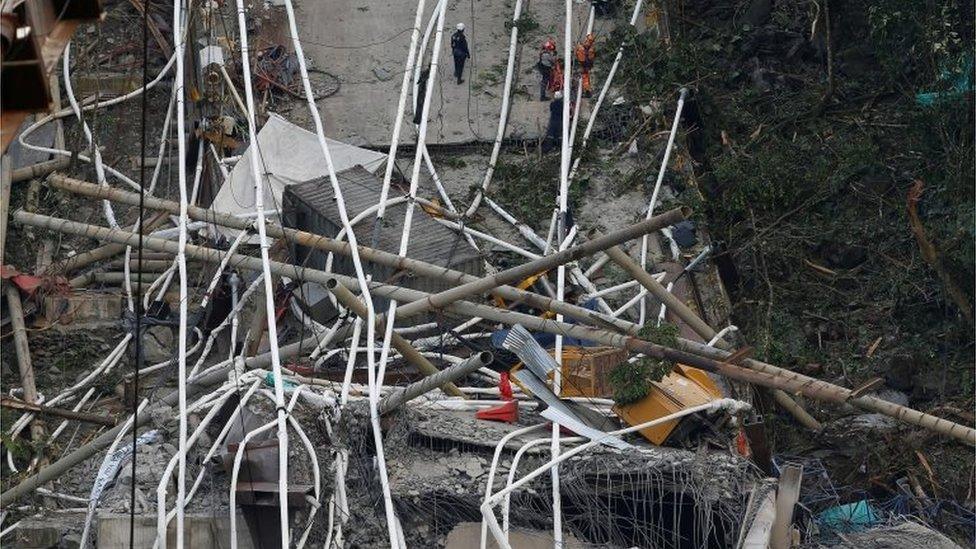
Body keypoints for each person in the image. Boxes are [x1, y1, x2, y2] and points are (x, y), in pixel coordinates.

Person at [575, 33, 596, 97]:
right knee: (586, 79)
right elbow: (591, 58)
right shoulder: (591, 49)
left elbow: (577, 54)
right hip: (586, 65)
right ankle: (587, 91)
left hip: (583, 64)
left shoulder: (581, 47)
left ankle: (586, 91)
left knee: (585, 79)